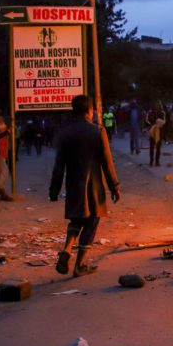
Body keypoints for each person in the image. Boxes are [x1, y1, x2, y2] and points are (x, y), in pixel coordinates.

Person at [50, 95, 120, 277]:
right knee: (92, 221)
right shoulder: (98, 131)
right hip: (94, 186)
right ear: (90, 111)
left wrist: (54, 190)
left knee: (76, 220)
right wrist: (114, 187)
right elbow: (107, 162)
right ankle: (79, 265)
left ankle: (66, 251)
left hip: (73, 184)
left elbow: (58, 166)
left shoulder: (65, 134)